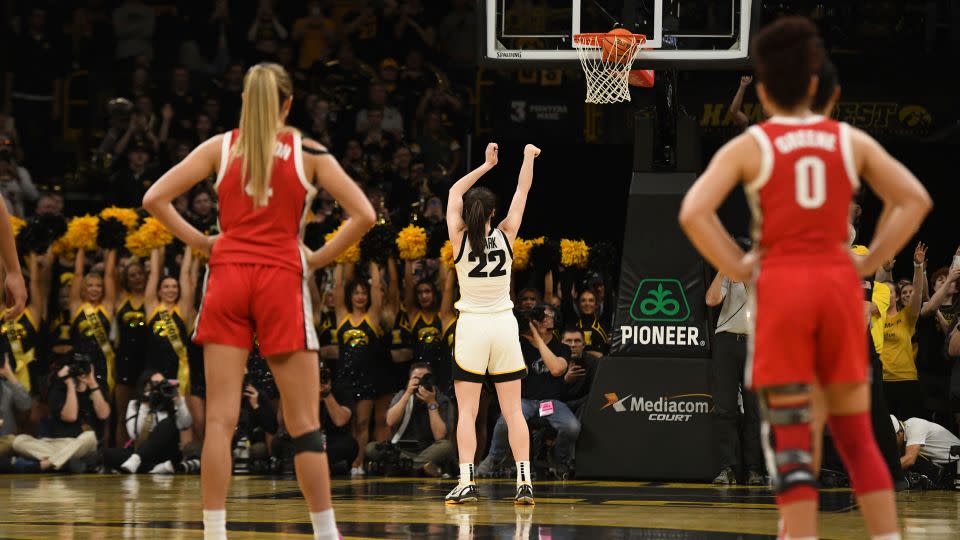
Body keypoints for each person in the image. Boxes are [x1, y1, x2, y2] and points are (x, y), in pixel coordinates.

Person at [678, 17, 931, 540]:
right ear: (825, 95)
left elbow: (693, 213)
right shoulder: (845, 142)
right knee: (857, 431)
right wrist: (869, 259)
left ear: (767, 93)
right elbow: (914, 200)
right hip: (836, 299)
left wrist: (741, 265)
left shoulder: (757, 144)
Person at [143, 63, 375, 540]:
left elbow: (154, 198)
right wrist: (315, 258)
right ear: (288, 103)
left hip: (226, 278)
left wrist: (206, 243)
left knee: (221, 422)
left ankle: (213, 534)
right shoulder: (308, 151)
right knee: (305, 424)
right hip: (279, 280)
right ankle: (327, 534)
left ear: (245, 103)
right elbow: (364, 214)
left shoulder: (221, 147)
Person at [444, 142, 540, 505]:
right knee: (513, 411)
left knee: (467, 411)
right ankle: (524, 482)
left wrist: (486, 165)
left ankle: (467, 481)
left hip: (471, 327)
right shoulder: (507, 233)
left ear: (468, 212)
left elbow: (454, 190)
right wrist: (527, 157)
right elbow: (523, 190)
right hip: (503, 327)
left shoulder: (458, 237)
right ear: (493, 212)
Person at [478, 304, 580, 481]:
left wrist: (537, 338)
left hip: (549, 403)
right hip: (524, 401)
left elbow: (556, 369)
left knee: (571, 426)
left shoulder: (561, 347)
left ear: (554, 321)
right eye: (540, 316)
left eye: (547, 316)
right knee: (504, 422)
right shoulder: (519, 344)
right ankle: (494, 457)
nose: (543, 319)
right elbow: (520, 371)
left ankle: (560, 459)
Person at [705, 238, 764, 486]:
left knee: (754, 409)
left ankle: (753, 469)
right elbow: (711, 300)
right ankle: (727, 467)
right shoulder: (728, 274)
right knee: (724, 408)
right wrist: (723, 269)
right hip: (727, 342)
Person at [367, 363, 455, 477]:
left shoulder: (441, 399)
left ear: (431, 380)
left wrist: (431, 403)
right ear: (409, 380)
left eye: (425, 378)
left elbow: (440, 436)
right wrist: (408, 394)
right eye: (416, 379)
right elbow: (390, 421)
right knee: (371, 448)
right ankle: (418, 468)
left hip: (428, 451)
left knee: (446, 446)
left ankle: (400, 467)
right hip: (402, 451)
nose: (420, 382)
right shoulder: (402, 395)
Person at [103, 371, 193, 474]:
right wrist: (145, 404)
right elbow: (135, 434)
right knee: (106, 454)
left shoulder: (172, 401)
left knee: (167, 423)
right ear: (145, 386)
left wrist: (179, 401)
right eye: (156, 383)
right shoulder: (135, 404)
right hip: (143, 450)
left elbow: (186, 423)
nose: (159, 387)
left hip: (166, 452)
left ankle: (138, 460)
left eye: (162, 383)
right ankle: (154, 468)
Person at [69, 249, 117, 391]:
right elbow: (77, 274)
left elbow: (109, 275)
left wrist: (111, 246)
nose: (95, 289)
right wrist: (81, 245)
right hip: (80, 360)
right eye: (90, 285)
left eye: (98, 286)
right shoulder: (76, 305)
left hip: (103, 361)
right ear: (83, 287)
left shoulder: (107, 306)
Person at [113, 257, 148, 447]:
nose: (136, 278)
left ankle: (142, 454)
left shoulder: (152, 298)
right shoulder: (121, 299)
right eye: (132, 275)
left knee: (144, 414)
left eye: (140, 274)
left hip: (146, 362)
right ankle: (121, 454)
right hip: (124, 362)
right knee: (123, 414)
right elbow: (111, 278)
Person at [893, 415, 960, 481]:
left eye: (892, 440)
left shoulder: (914, 426)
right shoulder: (905, 436)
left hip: (955, 461)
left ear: (899, 432)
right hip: (942, 466)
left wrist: (885, 472)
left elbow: (909, 460)